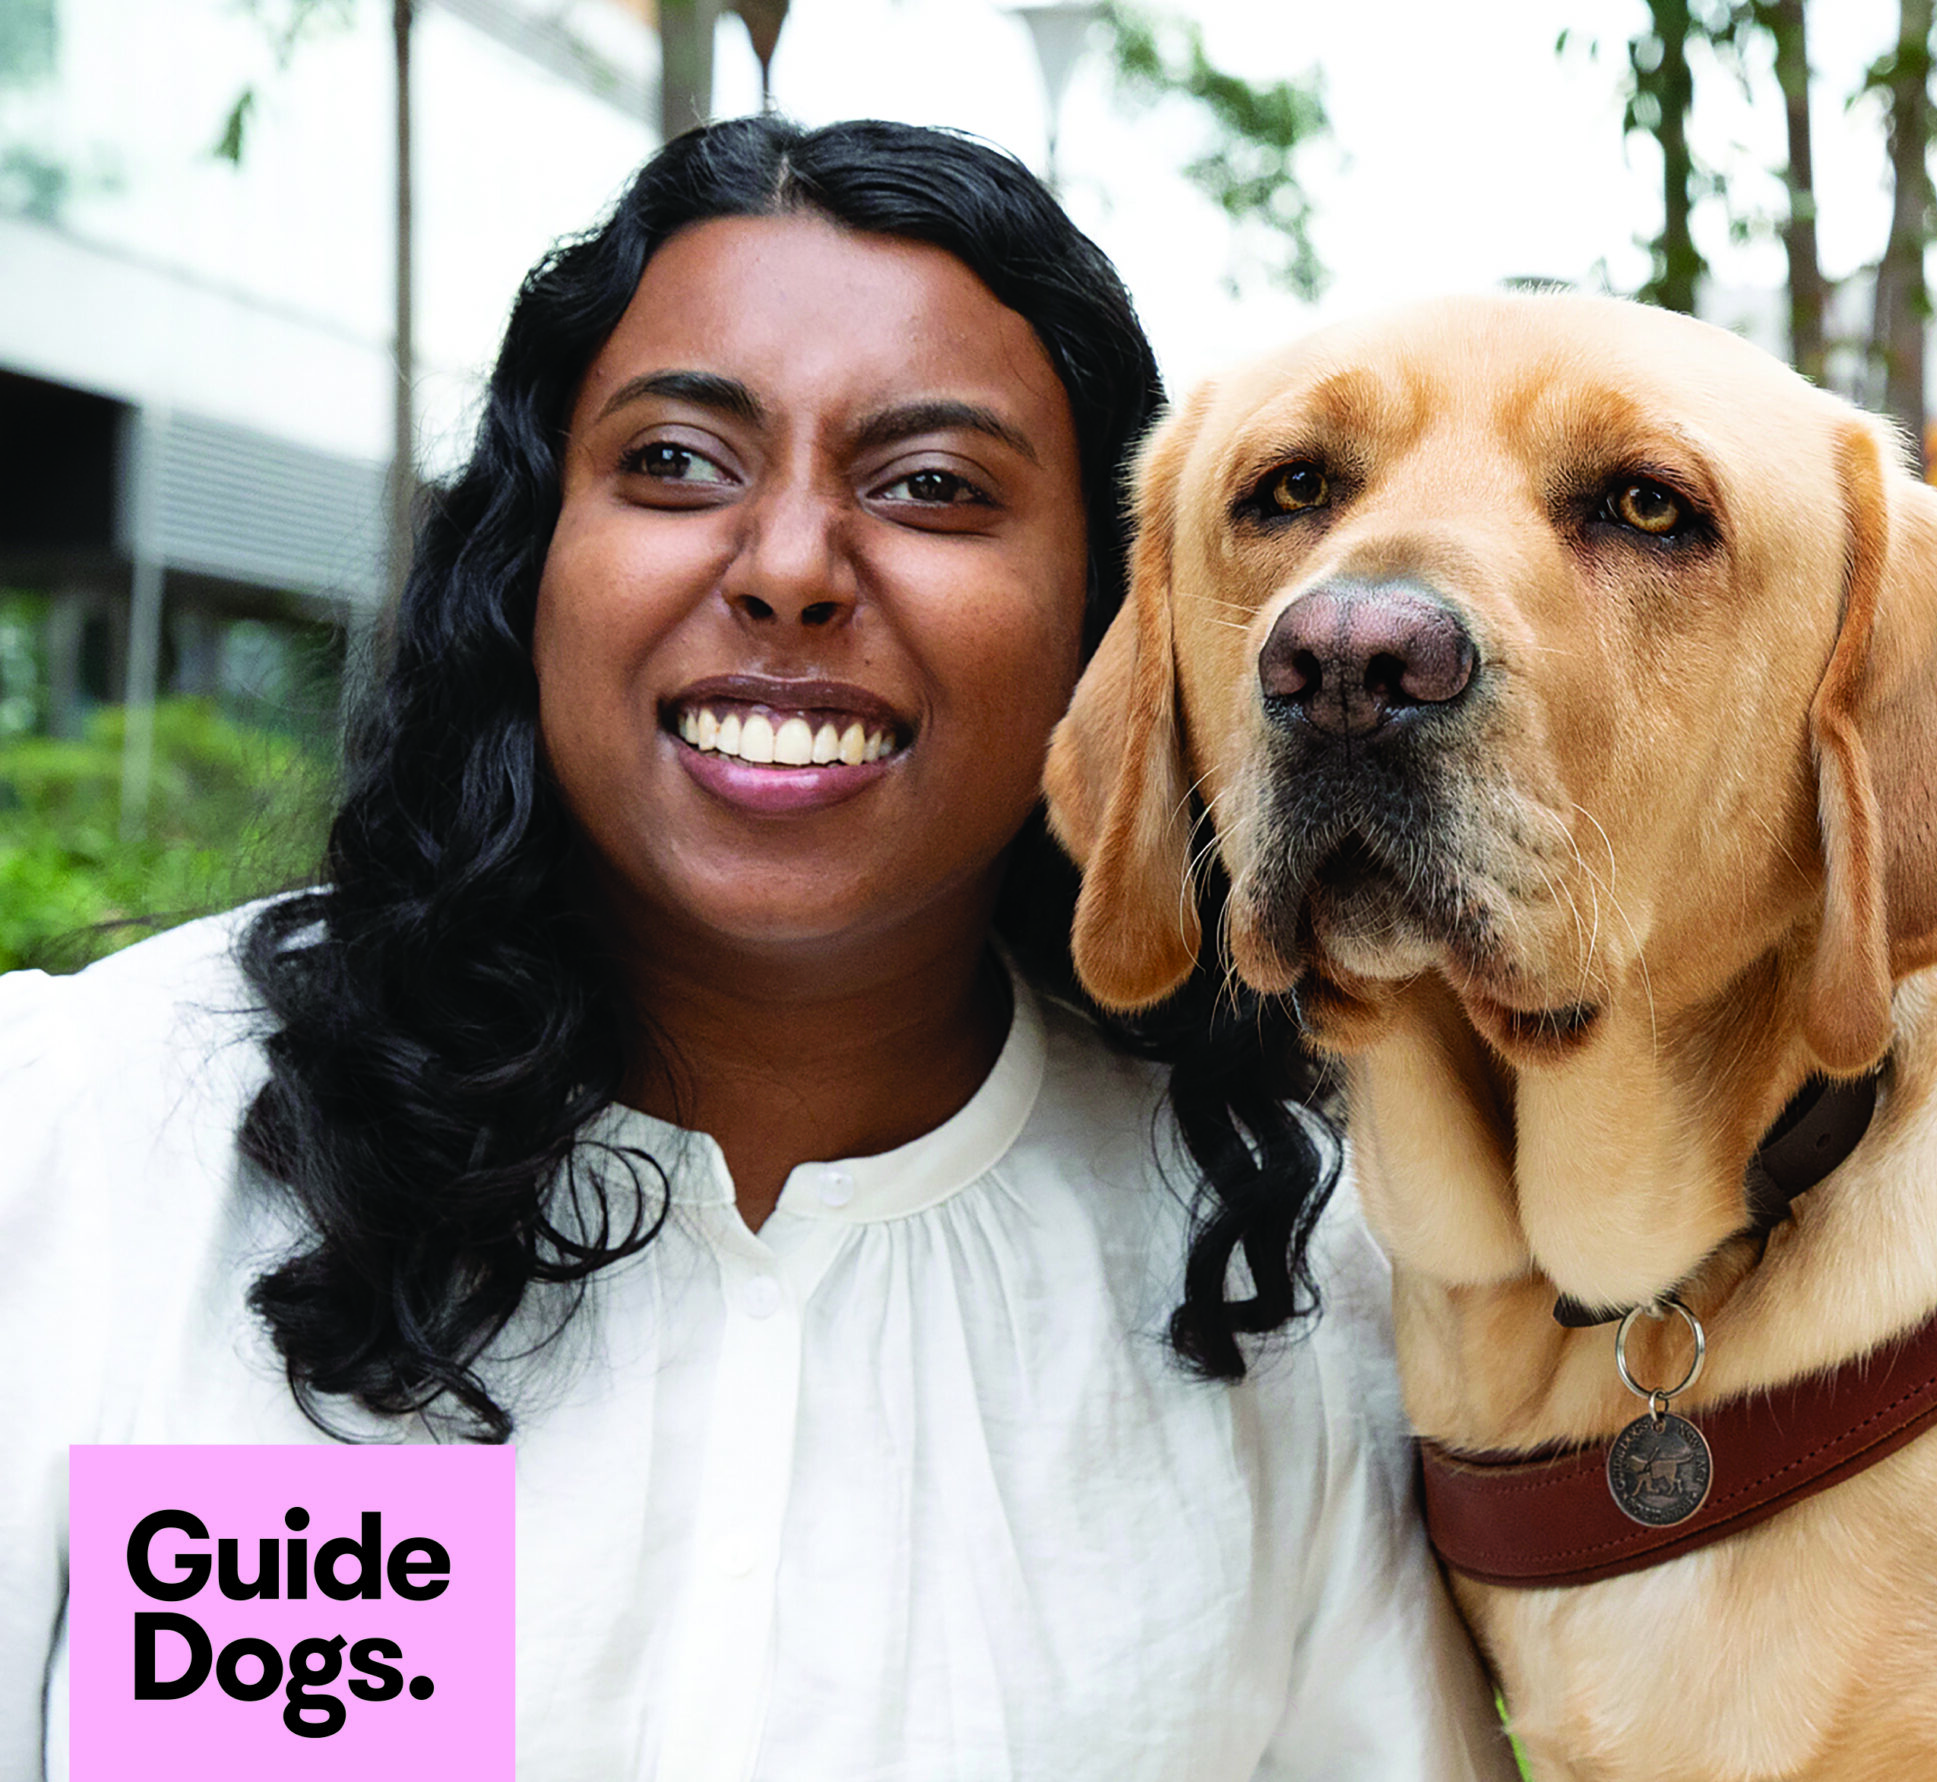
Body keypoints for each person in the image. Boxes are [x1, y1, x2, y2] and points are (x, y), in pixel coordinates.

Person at [0, 116, 1510, 1779]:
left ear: (1115, 630)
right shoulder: (88, 1138)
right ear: (530, 564)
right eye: (674, 464)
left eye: (932, 487)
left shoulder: (1287, 1281)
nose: (789, 566)